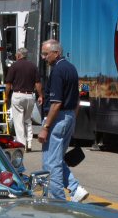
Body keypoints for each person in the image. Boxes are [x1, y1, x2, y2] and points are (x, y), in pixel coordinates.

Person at [37, 40, 87, 202]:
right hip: (70, 115)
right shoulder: (71, 68)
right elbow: (77, 100)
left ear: (56, 53)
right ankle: (74, 188)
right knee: (57, 159)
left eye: (46, 54)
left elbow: (56, 102)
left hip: (58, 118)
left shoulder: (58, 71)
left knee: (51, 164)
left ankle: (57, 200)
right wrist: (71, 120)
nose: (44, 57)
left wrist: (45, 127)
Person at [4, 48, 41, 150]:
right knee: (27, 119)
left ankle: (22, 144)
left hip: (18, 95)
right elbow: (38, 83)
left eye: (16, 54)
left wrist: (6, 96)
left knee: (18, 120)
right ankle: (29, 143)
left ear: (19, 55)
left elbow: (8, 83)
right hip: (30, 96)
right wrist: (41, 95)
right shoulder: (33, 66)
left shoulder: (14, 66)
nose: (16, 56)